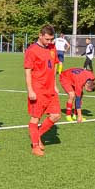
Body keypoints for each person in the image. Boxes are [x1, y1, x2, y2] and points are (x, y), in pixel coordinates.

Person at [24, 24, 61, 156]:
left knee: (56, 115)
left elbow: (55, 66)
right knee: (35, 118)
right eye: (47, 39)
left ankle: (36, 135)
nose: (50, 42)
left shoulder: (52, 48)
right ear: (40, 35)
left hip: (50, 89)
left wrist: (55, 84)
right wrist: (30, 90)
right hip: (38, 89)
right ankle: (35, 145)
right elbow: (28, 71)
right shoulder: (32, 50)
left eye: (51, 39)